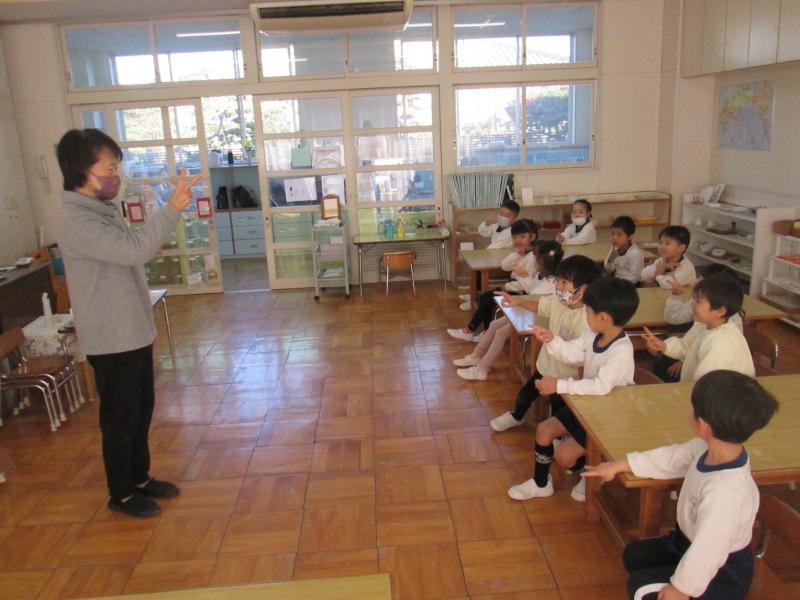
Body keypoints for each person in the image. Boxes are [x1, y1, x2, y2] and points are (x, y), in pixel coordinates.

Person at [58, 129, 200, 519]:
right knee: (120, 420)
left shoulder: (101, 210)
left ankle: (139, 478)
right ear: (82, 170)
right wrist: (172, 208)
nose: (115, 176)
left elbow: (129, 259)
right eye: (109, 168)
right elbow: (134, 250)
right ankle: (120, 493)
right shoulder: (76, 220)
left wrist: (145, 330)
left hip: (130, 332)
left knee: (140, 412)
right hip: (110, 338)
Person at [583, 370, 779, 600]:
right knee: (634, 555)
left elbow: (708, 551)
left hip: (721, 575)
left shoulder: (726, 493)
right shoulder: (710, 449)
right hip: (686, 543)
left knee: (640, 589)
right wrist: (621, 465)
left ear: (702, 424)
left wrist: (681, 589)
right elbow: (674, 458)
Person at [507, 277, 639, 503]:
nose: (585, 314)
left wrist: (559, 385)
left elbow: (600, 386)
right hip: (586, 405)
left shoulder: (621, 351)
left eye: (587, 310)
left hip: (607, 417)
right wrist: (551, 340)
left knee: (564, 458)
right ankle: (541, 484)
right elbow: (574, 353)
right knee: (544, 431)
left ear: (603, 317)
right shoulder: (594, 335)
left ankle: (594, 470)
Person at [489, 255, 603, 432]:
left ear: (584, 289)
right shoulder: (558, 302)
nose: (558, 287)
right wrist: (518, 301)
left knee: (558, 408)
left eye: (564, 282)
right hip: (545, 366)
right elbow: (540, 305)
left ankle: (557, 436)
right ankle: (517, 416)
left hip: (566, 377)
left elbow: (580, 355)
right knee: (525, 395)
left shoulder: (587, 318)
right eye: (558, 281)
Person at [454, 240, 563, 381]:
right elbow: (531, 291)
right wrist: (524, 277)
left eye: (535, 257)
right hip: (531, 311)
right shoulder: (542, 275)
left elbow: (532, 293)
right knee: (494, 325)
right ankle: (476, 356)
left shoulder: (552, 281)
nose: (533, 260)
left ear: (541, 261)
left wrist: (524, 277)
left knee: (500, 333)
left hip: (541, 318)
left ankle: (481, 369)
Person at [643, 275, 754, 383]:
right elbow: (687, 346)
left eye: (698, 301)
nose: (693, 305)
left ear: (720, 311)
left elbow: (707, 385)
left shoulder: (721, 343)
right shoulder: (705, 325)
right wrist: (664, 346)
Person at [448, 220, 538, 342]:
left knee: (487, 300)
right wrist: (517, 254)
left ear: (532, 237)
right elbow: (504, 266)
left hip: (521, 292)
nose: (518, 240)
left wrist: (507, 286)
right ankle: (485, 332)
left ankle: (470, 330)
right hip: (512, 286)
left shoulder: (533, 258)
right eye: (515, 237)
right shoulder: (521, 253)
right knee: (484, 297)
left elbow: (527, 285)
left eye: (522, 237)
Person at [458, 199, 523, 310]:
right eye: (501, 213)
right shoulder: (497, 225)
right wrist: (486, 224)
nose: (502, 217)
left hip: (503, 264)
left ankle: (476, 299)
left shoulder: (512, 231)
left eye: (507, 215)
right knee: (476, 270)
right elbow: (483, 232)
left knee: (479, 269)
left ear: (514, 218)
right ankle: (473, 295)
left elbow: (495, 246)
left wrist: (481, 257)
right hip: (494, 258)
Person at [664, 266, 743, 331]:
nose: (695, 282)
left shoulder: (729, 326)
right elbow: (674, 318)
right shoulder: (702, 302)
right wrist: (675, 296)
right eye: (698, 277)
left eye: (701, 280)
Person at [604, 215, 645, 284]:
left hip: (630, 286)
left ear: (630, 236)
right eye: (612, 234)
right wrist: (610, 259)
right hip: (618, 283)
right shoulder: (615, 247)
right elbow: (608, 269)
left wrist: (618, 284)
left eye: (619, 234)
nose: (614, 238)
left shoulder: (635, 254)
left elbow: (635, 278)